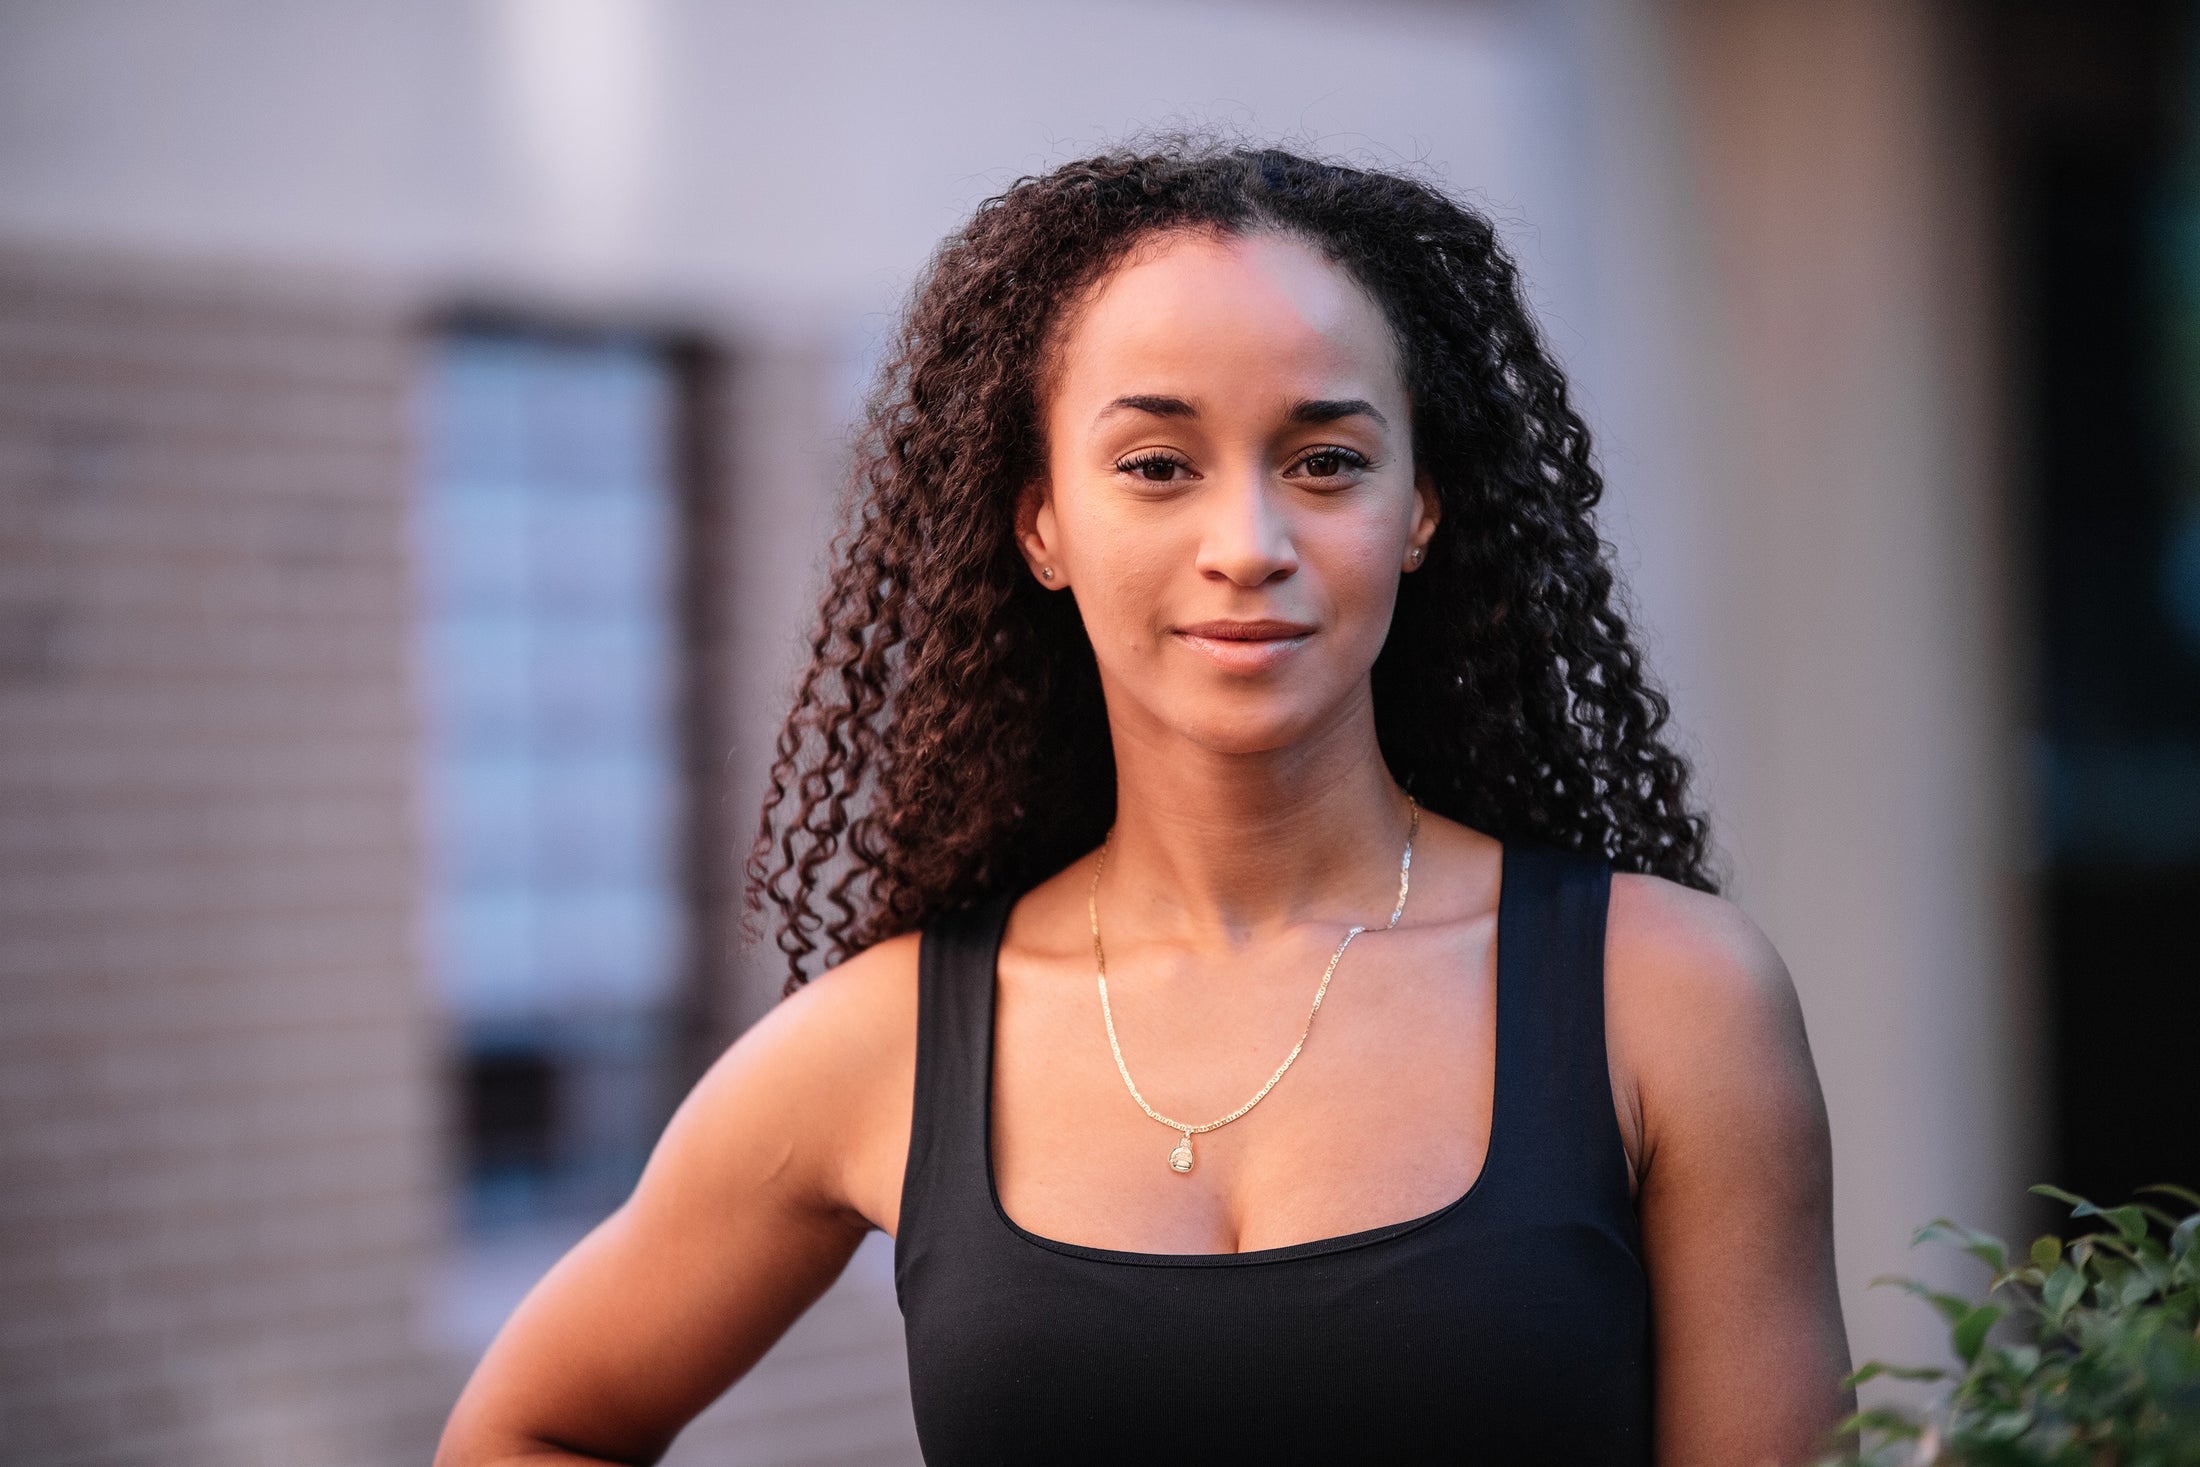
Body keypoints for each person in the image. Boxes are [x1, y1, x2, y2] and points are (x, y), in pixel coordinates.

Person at [436, 144, 1852, 1466]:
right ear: (1042, 522)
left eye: (1326, 462)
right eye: (1158, 466)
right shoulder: (890, 1043)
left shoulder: (1665, 1001)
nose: (1248, 544)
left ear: (1421, 509)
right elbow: (527, 1431)